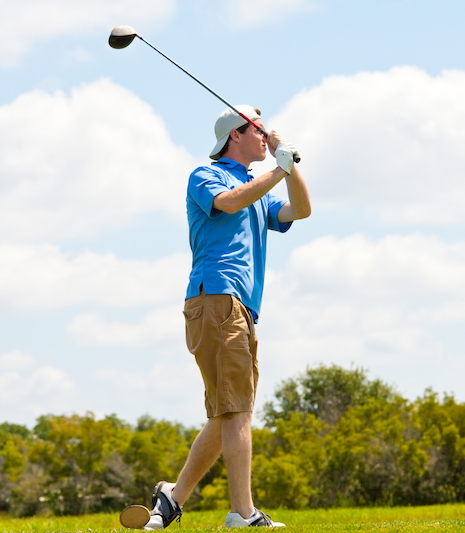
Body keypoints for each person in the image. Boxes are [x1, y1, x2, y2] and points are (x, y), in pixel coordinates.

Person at [143, 105, 311, 530]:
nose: (264, 133)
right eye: (257, 127)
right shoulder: (207, 175)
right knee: (237, 412)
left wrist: (287, 166)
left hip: (241, 307)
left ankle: (171, 498)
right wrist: (278, 170)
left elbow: (301, 210)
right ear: (235, 134)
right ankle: (243, 513)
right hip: (216, 298)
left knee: (226, 412)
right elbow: (230, 203)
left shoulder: (259, 186)